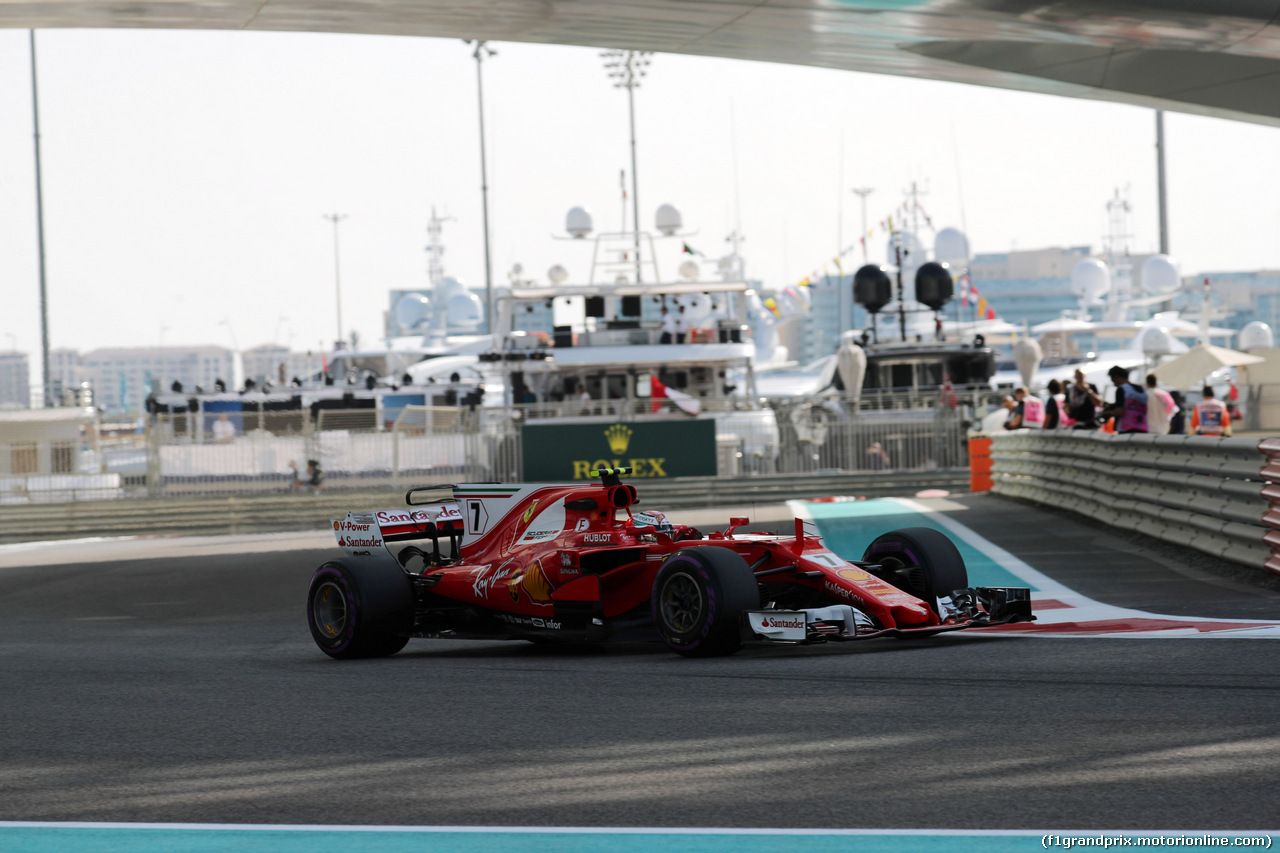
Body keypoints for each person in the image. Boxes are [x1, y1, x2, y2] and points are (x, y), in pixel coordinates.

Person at [1103, 366, 1148, 434]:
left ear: (1117, 377)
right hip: (1143, 428)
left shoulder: (1122, 389)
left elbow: (1120, 411)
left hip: (1126, 429)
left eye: (1113, 379)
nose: (1114, 384)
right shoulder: (1142, 389)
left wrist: (1107, 413)